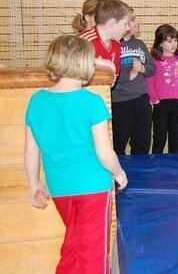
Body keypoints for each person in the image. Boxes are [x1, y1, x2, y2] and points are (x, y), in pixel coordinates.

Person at [24, 35, 127, 273]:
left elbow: (31, 150)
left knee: (74, 242)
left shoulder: (37, 101)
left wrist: (34, 184)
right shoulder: (92, 102)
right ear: (84, 65)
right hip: (92, 187)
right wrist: (119, 172)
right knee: (93, 250)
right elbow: (104, 152)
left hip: (60, 187)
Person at [111, 12, 156, 155]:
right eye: (133, 20)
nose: (138, 22)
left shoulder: (140, 44)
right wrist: (126, 76)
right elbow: (108, 71)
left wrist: (142, 68)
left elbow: (151, 68)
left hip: (141, 97)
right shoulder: (114, 45)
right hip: (120, 100)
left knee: (142, 140)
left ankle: (141, 174)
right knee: (119, 141)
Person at [146, 24, 178, 154]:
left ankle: (176, 162)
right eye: (169, 41)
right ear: (160, 43)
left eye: (175, 40)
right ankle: (156, 161)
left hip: (177, 103)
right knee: (159, 136)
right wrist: (155, 100)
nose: (173, 44)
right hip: (161, 104)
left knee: (176, 136)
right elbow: (149, 82)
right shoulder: (154, 60)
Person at [78, 0, 133, 77]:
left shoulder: (117, 45)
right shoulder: (83, 41)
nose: (127, 28)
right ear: (112, 23)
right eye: (125, 24)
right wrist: (95, 62)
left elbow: (113, 77)